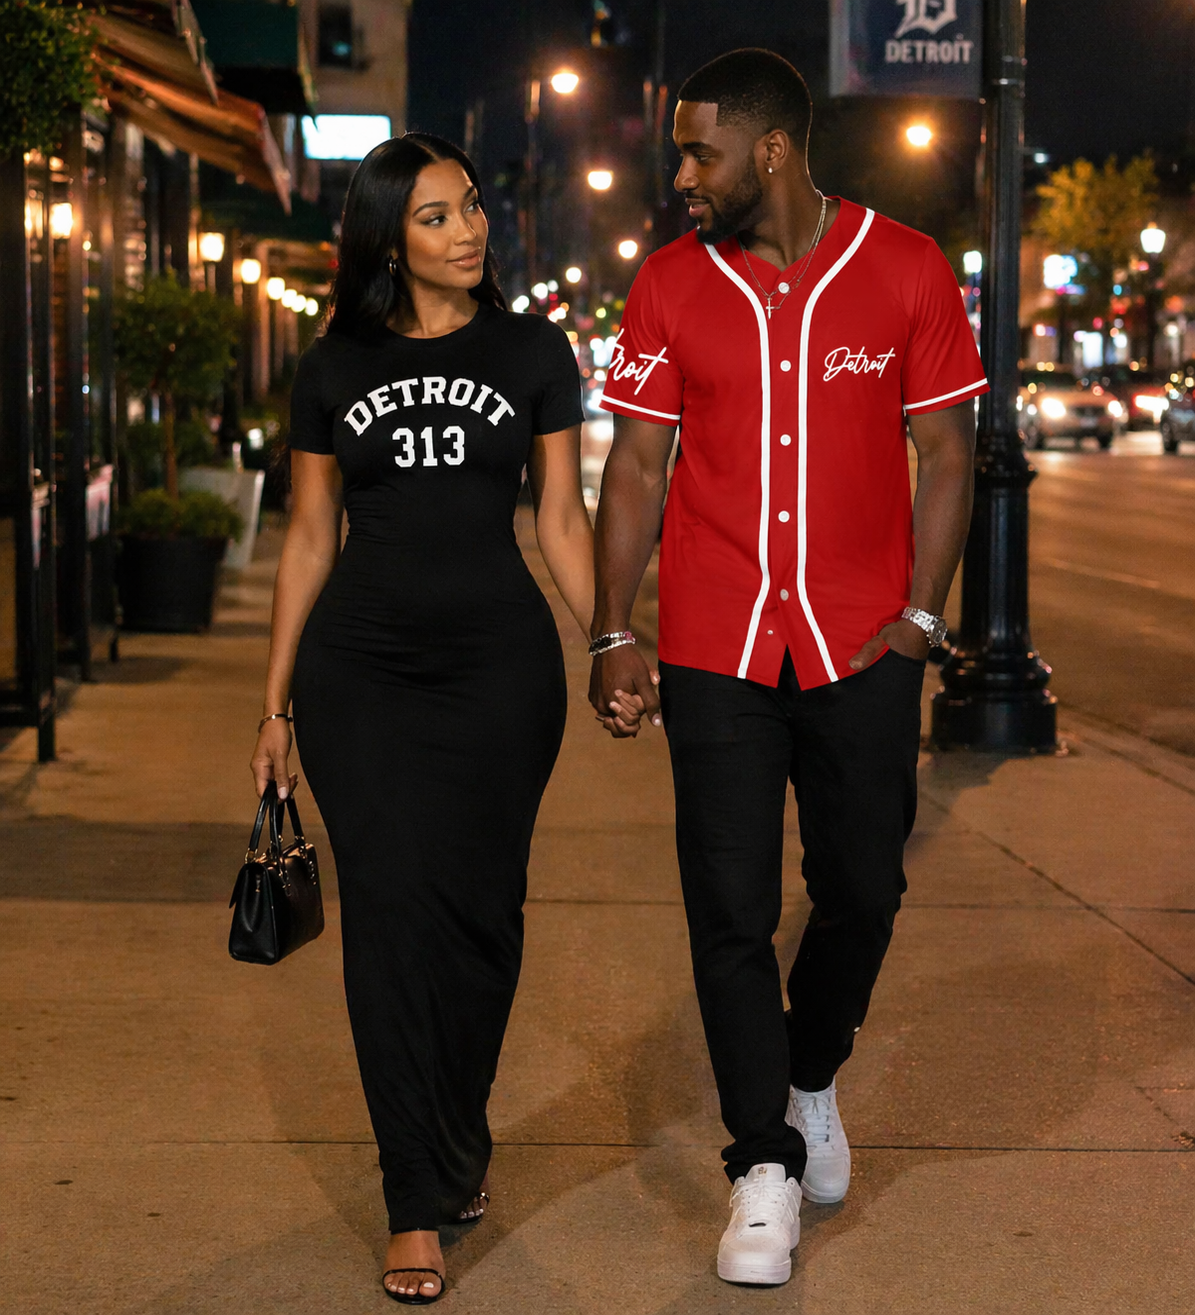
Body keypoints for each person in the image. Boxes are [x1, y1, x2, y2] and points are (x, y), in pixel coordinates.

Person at [590, 49, 986, 1286]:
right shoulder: (667, 285)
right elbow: (639, 467)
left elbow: (947, 452)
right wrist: (613, 627)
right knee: (728, 909)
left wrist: (923, 618)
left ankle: (810, 1075)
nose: (682, 174)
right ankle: (760, 1159)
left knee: (863, 884)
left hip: (862, 641)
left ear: (769, 150)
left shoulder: (907, 270)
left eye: (698, 151)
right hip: (714, 644)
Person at [250, 132, 638, 1304]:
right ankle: (412, 1194)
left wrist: (611, 639)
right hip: (359, 676)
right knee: (388, 921)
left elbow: (561, 521)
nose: (469, 229)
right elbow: (310, 537)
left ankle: (459, 1136)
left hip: (496, 678)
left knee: (482, 925)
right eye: (435, 216)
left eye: (471, 206)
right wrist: (272, 706)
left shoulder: (532, 349)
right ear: (385, 238)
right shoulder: (332, 366)